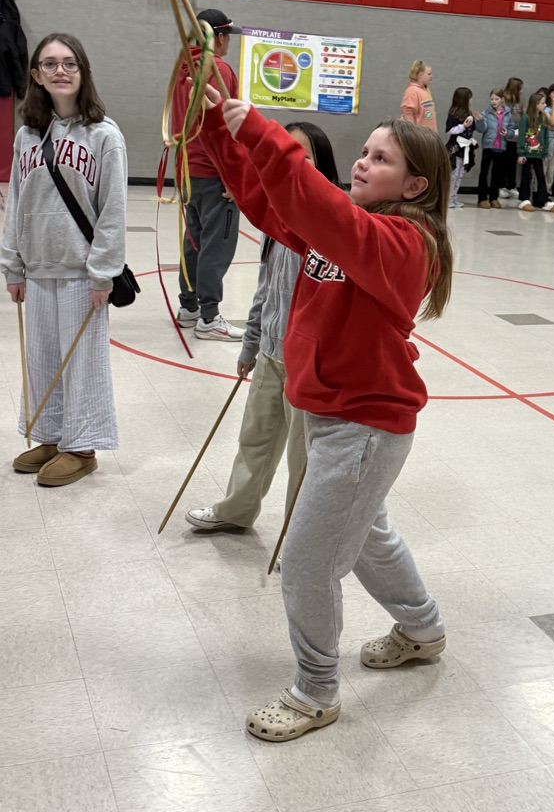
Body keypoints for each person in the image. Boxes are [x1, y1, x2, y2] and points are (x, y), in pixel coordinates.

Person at [198, 87, 452, 743]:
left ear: (416, 186)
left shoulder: (404, 242)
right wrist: (217, 128)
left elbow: (322, 209)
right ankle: (423, 629)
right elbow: (269, 202)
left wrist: (259, 130)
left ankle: (315, 691)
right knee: (367, 537)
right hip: (334, 415)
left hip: (365, 426)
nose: (362, 163)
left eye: (380, 158)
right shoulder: (352, 225)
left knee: (309, 562)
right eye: (363, 152)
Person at [186, 124, 341, 532]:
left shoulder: (333, 226)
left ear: (323, 164)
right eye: (286, 152)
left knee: (301, 456)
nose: (293, 161)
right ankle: (237, 510)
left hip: (308, 365)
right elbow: (265, 290)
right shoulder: (276, 219)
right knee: (255, 438)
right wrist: (250, 344)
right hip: (271, 353)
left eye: (304, 154)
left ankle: (300, 538)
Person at [1, 33, 127, 485]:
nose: (60, 70)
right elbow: (16, 202)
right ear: (35, 74)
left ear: (83, 72)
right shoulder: (26, 136)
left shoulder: (105, 134)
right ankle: (52, 437)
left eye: (69, 63)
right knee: (42, 360)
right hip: (37, 270)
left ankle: (82, 446)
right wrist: (12, 265)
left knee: (82, 363)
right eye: (50, 63)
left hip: (81, 272)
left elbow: (113, 210)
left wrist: (103, 273)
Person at [172, 8, 243, 340]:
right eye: (228, 36)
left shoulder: (183, 67)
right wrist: (232, 175)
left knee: (195, 239)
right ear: (220, 37)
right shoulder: (218, 68)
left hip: (188, 169)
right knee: (218, 242)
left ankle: (189, 306)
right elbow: (224, 125)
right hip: (213, 171)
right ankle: (209, 316)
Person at [516, 91, 554, 212]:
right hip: (527, 153)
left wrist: (545, 150)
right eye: (542, 103)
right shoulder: (526, 118)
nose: (545, 105)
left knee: (540, 176)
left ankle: (543, 199)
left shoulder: (543, 118)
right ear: (535, 104)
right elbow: (521, 135)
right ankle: (524, 198)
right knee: (526, 176)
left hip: (538, 153)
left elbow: (545, 135)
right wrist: (521, 152)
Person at [445, 86, 480, 208]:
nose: (471, 100)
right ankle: (448, 198)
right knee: (453, 174)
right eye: (469, 98)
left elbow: (471, 132)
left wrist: (473, 149)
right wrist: (463, 127)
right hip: (456, 147)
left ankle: (454, 197)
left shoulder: (469, 114)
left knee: (460, 174)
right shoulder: (453, 114)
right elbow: (449, 130)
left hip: (466, 147)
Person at [476, 88, 511, 209]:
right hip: (488, 147)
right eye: (492, 99)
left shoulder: (508, 114)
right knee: (484, 172)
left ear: (502, 99)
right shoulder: (486, 113)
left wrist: (507, 133)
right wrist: (480, 121)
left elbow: (512, 130)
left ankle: (494, 198)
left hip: (501, 147)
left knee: (497, 174)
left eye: (496, 99)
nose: (494, 101)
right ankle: (482, 198)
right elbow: (481, 129)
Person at [499, 76, 523, 198]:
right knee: (503, 162)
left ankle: (512, 186)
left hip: (515, 137)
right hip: (504, 137)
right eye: (520, 89)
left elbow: (521, 118)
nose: (522, 91)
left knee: (513, 163)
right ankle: (502, 186)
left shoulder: (519, 103)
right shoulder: (503, 102)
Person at [400, 60, 437, 132]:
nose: (431, 76)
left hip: (430, 135)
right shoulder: (412, 91)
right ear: (420, 75)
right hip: (420, 136)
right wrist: (413, 134)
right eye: (429, 74)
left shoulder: (426, 90)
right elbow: (408, 114)